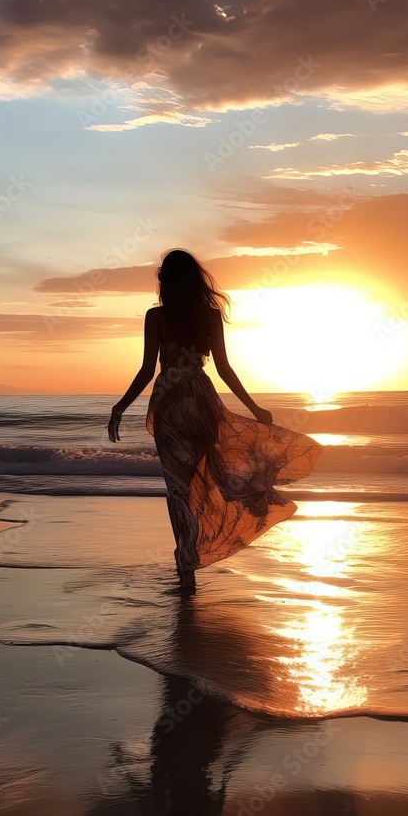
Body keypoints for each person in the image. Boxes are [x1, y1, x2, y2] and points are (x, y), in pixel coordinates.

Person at [107, 249, 322, 592]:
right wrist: (253, 408)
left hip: (171, 401)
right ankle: (245, 500)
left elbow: (148, 370)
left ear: (166, 281)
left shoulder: (156, 316)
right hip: (202, 399)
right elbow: (223, 368)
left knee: (179, 489)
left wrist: (120, 407)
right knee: (204, 480)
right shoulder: (210, 315)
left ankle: (186, 568)